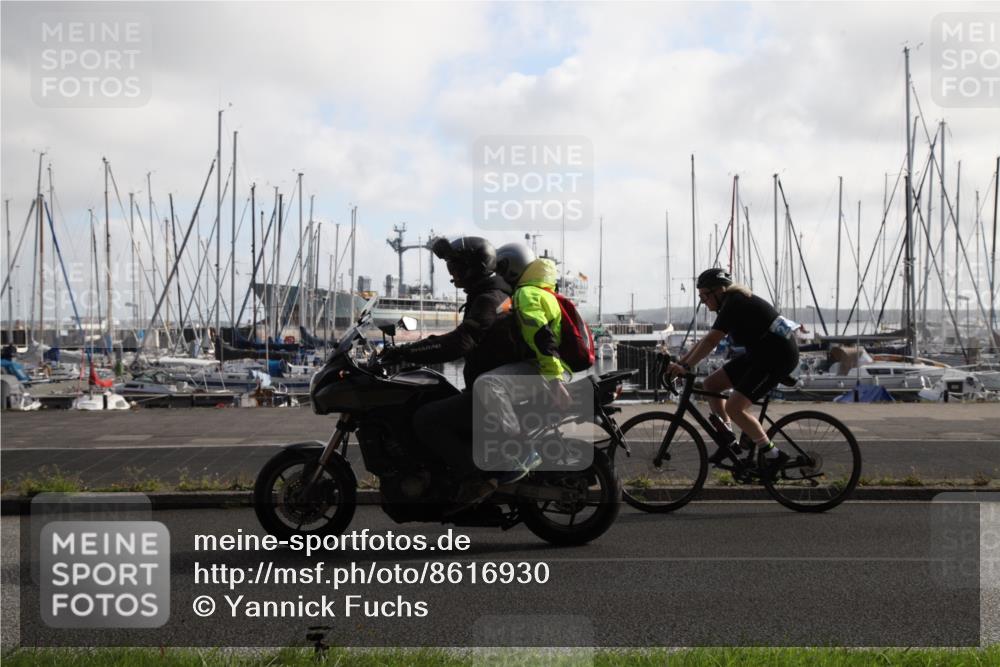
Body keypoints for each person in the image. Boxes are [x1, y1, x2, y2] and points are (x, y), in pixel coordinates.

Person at [378, 236, 526, 502]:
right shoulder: (488, 295)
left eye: (456, 268)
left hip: (493, 393)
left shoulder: (490, 299)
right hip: (489, 387)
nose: (453, 275)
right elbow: (460, 338)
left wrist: (406, 352)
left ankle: (473, 479)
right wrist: (412, 350)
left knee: (426, 418)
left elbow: (461, 342)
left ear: (475, 268)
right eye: (450, 268)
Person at [666, 268, 800, 476]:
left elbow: (712, 341)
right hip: (760, 354)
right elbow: (707, 338)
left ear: (718, 290)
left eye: (704, 295)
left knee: (735, 406)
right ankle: (729, 440)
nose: (703, 301)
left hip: (777, 357)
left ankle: (774, 455)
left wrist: (685, 367)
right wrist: (682, 362)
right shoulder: (729, 302)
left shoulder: (735, 302)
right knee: (711, 384)